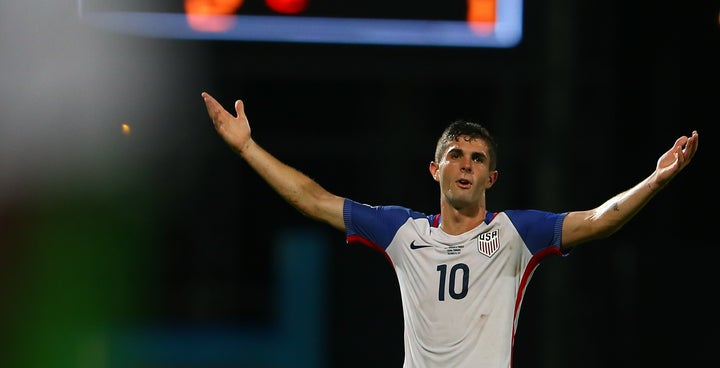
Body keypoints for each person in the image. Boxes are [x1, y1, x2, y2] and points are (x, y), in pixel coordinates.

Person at [200, 91, 699, 368]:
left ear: (491, 177)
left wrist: (655, 180)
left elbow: (597, 220)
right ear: (435, 170)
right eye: (455, 155)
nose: (466, 164)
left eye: (477, 158)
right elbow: (313, 199)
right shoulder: (402, 230)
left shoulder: (515, 234)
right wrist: (247, 149)